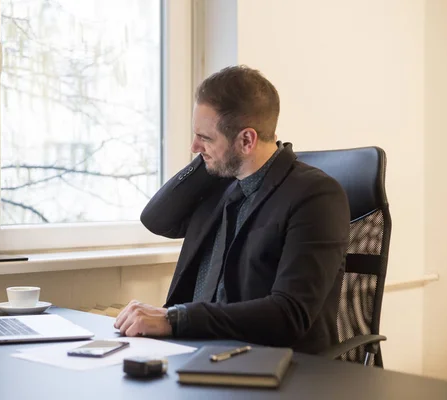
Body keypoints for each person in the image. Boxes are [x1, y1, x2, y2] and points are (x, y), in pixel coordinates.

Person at [114, 65, 350, 354]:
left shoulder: (315, 196)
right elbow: (156, 219)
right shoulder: (220, 183)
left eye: (205, 137)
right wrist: (211, 154)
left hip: (263, 363)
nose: (193, 146)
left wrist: (178, 318)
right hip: (196, 351)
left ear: (247, 140)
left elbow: (289, 314)